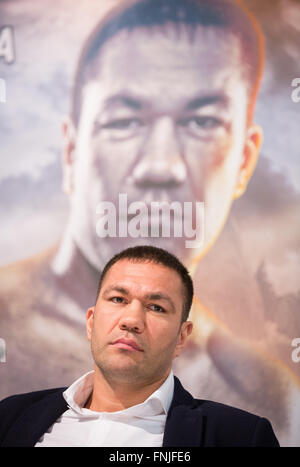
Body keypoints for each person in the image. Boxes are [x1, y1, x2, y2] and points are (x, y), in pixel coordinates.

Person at [0, 0, 299, 446]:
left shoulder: (270, 399)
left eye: (202, 121)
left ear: (244, 159)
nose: (162, 165)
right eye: (124, 121)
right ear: (71, 152)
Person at [0, 245, 279, 447]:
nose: (132, 320)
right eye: (118, 299)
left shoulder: (241, 436)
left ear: (182, 337)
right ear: (91, 322)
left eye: (156, 307)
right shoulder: (10, 417)